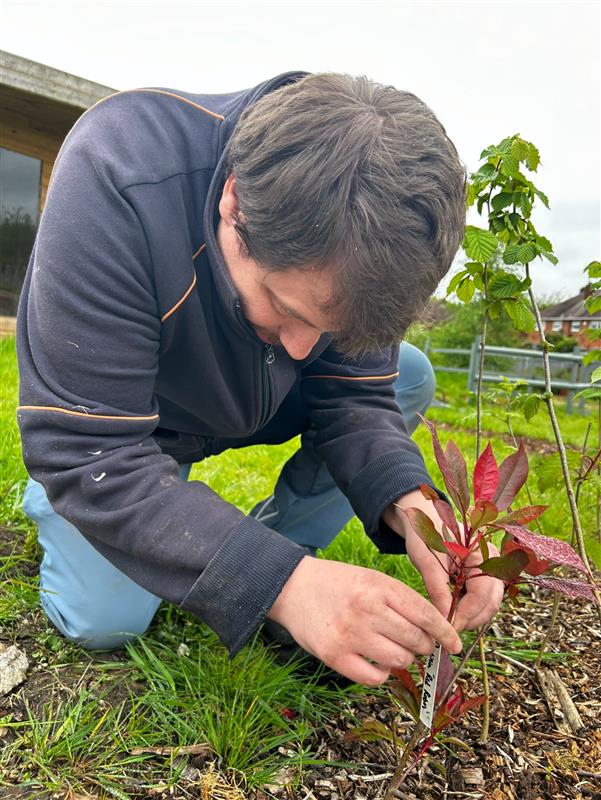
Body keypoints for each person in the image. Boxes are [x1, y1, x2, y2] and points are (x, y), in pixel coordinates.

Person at [17, 72, 503, 686]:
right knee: (105, 620)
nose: (306, 348)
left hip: (254, 394)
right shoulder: (120, 173)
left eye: (329, 330)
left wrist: (415, 509)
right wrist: (280, 584)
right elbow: (87, 448)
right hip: (130, 427)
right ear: (234, 203)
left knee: (409, 375)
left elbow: (357, 398)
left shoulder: (368, 236)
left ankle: (289, 552)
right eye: (288, 308)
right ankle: (60, 503)